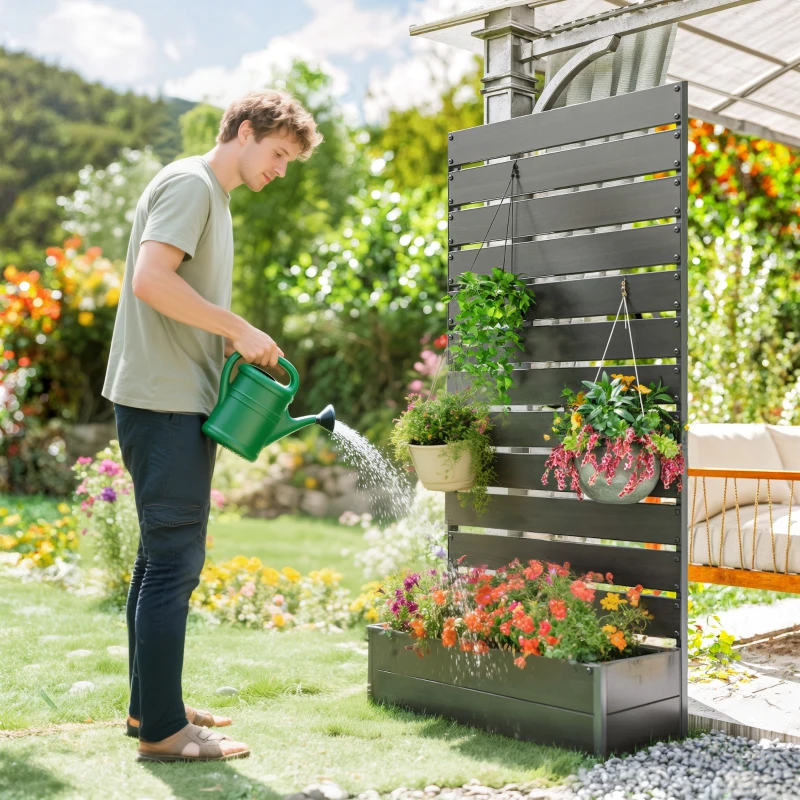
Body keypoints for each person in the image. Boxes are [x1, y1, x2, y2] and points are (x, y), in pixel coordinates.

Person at [102, 90, 323, 762]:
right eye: (278, 153)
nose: (281, 169)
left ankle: (152, 708)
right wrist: (237, 327)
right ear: (245, 132)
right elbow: (150, 279)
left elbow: (175, 294)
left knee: (157, 561)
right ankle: (166, 735)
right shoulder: (192, 185)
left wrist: (223, 339)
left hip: (172, 397)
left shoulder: (211, 198)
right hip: (162, 400)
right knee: (174, 563)